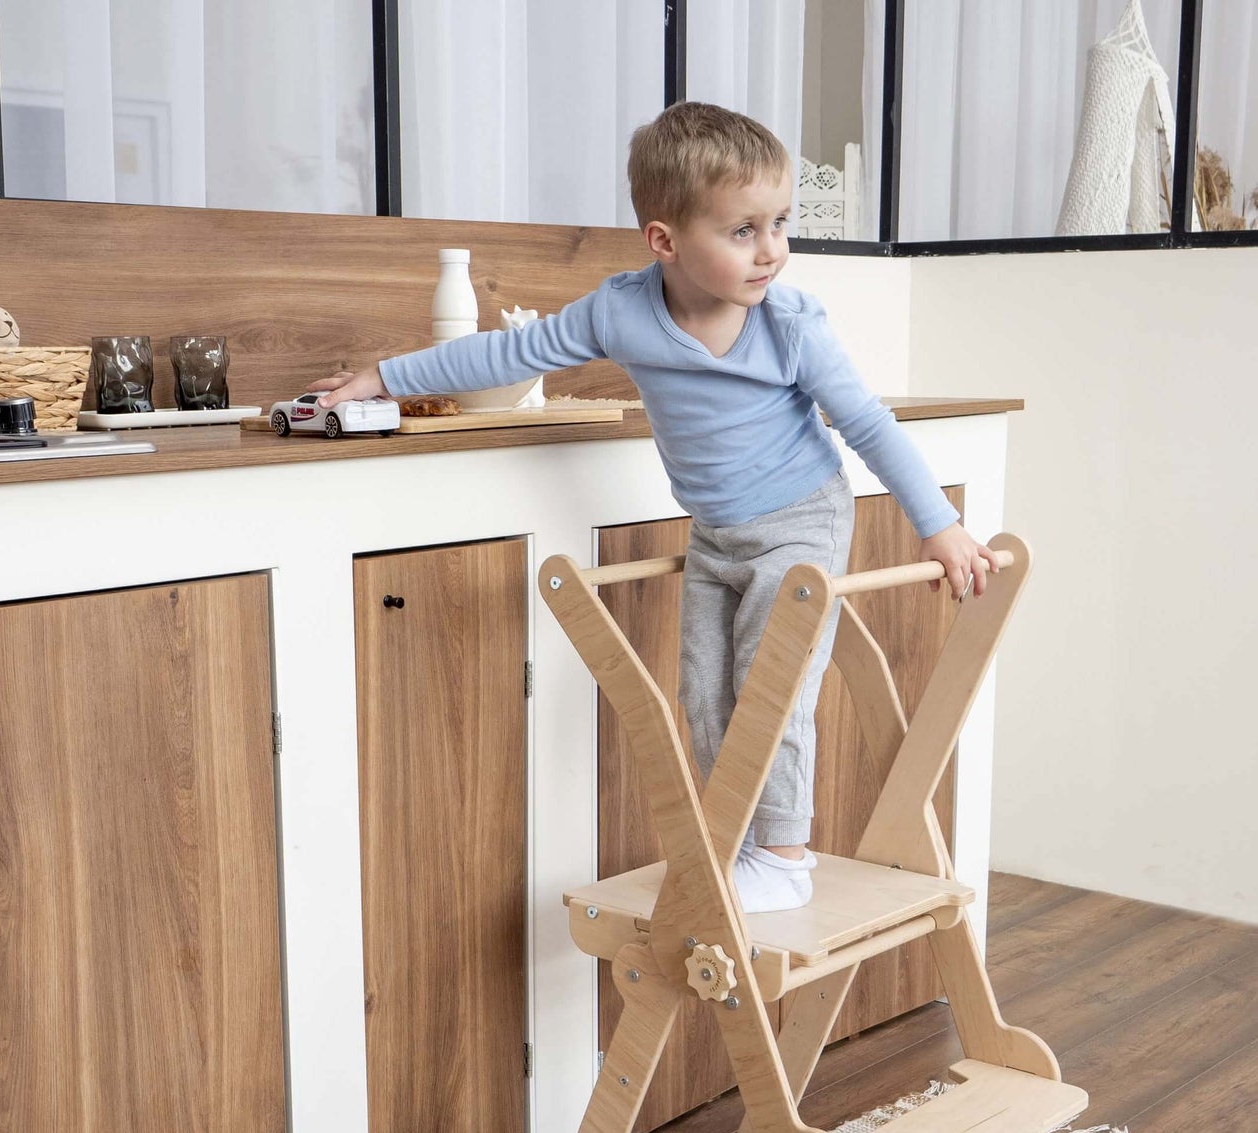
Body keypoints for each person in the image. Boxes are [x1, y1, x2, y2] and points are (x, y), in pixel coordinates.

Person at [311, 101, 999, 913]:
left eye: (779, 223)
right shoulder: (621, 311)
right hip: (715, 535)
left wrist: (939, 524)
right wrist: (380, 379)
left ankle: (784, 855)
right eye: (743, 230)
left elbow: (866, 422)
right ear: (664, 241)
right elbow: (504, 351)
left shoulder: (790, 327)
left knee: (769, 681)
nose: (771, 250)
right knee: (703, 692)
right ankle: (741, 841)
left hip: (800, 520)